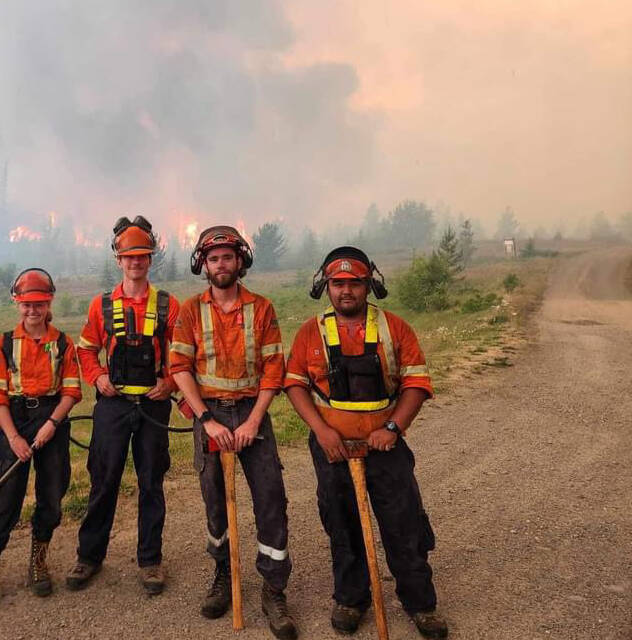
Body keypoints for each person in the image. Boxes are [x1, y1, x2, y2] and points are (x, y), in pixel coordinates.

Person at [284, 246, 448, 639]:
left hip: (385, 449)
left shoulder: (395, 328)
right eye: (337, 284)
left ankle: (420, 603)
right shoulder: (311, 332)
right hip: (332, 449)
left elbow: (416, 383)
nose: (345, 292)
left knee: (403, 524)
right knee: (341, 524)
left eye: (354, 283)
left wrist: (392, 429)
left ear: (368, 285)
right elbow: (294, 385)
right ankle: (350, 598)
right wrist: (322, 431)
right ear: (326, 286)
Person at [170, 225, 297, 640]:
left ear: (240, 261)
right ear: (203, 266)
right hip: (210, 416)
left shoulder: (262, 308)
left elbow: (274, 370)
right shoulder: (190, 311)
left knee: (270, 498)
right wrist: (206, 419)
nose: (220, 264)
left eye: (227, 257)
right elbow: (179, 369)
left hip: (251, 414)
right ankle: (223, 574)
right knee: (214, 502)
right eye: (213, 258)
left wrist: (254, 420)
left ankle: (273, 590)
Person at [66, 216, 180, 596]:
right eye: (129, 257)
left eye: (142, 256)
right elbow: (84, 348)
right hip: (112, 406)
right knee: (104, 480)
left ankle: (150, 561)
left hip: (153, 406)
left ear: (151, 259)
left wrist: (170, 382)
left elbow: (181, 356)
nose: (136, 262)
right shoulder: (101, 305)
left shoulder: (168, 305)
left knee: (151, 482)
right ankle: (89, 557)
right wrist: (97, 376)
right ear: (118, 259)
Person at [0, 268, 82, 617]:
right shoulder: (3, 343)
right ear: (17, 303)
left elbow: (72, 390)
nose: (33, 311)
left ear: (49, 303)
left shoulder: (62, 343)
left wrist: (51, 424)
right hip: (13, 421)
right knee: (1, 500)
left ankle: (38, 562)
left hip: (52, 419)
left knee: (52, 495)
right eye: (27, 304)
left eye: (40, 304)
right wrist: (13, 437)